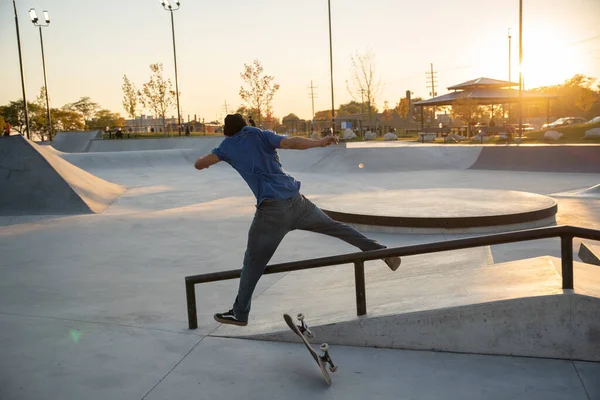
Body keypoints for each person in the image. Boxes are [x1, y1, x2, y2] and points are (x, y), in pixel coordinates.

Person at [194, 113, 401, 326]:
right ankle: (383, 252)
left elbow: (201, 164)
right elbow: (292, 142)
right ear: (245, 126)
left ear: (228, 132)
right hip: (298, 203)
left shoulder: (227, 146)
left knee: (253, 262)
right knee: (336, 227)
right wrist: (320, 142)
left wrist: (202, 161)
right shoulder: (261, 134)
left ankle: (240, 313)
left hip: (271, 214)